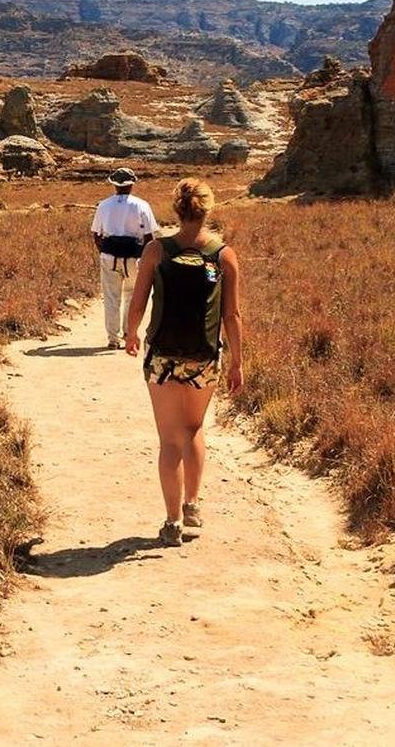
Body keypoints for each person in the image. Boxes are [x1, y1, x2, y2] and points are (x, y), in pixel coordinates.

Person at [122, 178, 244, 547]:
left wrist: (131, 333)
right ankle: (192, 504)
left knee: (169, 439)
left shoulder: (157, 251)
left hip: (162, 357)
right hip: (203, 358)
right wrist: (237, 360)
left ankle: (172, 521)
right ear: (208, 210)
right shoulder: (223, 255)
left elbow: (139, 300)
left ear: (176, 209)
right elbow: (232, 315)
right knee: (193, 429)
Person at [90, 168, 158, 349]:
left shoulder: (104, 205)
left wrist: (103, 252)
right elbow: (149, 237)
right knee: (131, 295)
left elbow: (96, 234)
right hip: (134, 257)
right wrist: (146, 259)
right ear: (132, 184)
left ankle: (113, 339)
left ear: (113, 184)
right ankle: (128, 332)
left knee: (111, 298)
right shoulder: (142, 205)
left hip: (109, 255)